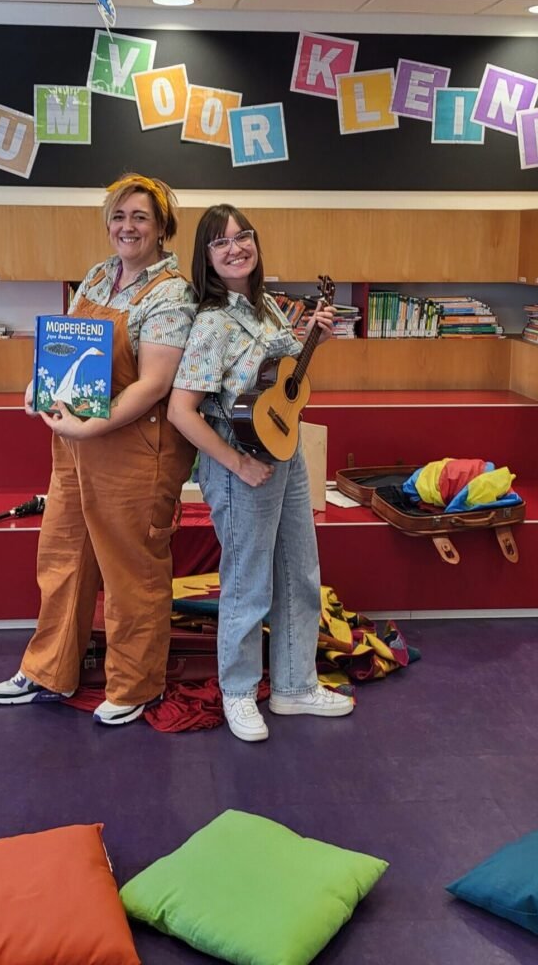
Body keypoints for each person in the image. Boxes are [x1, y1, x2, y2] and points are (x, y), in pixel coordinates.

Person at [0, 174, 197, 725]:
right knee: (62, 559)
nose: (127, 227)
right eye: (119, 217)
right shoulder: (98, 276)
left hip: (137, 451)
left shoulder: (172, 292)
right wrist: (40, 384)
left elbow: (152, 384)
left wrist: (89, 427)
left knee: (131, 572)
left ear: (161, 228)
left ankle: (135, 685)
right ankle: (47, 670)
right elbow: (65, 346)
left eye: (140, 218)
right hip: (76, 448)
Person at [167, 204, 354, 742]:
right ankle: (240, 692)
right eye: (220, 243)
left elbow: (278, 380)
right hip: (237, 460)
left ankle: (295, 685)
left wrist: (313, 335)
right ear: (205, 257)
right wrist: (237, 464)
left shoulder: (269, 306)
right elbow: (183, 410)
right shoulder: (211, 322)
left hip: (283, 450)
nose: (235, 248)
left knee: (300, 571)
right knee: (248, 583)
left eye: (242, 237)